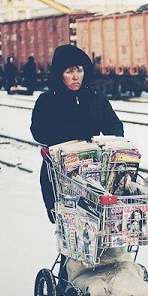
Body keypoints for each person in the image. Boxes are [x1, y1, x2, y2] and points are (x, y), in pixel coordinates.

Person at [31, 44, 124, 223]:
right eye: (69, 71)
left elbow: (112, 123)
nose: (75, 77)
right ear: (60, 74)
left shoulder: (96, 97)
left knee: (97, 227)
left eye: (79, 70)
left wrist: (115, 142)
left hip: (93, 175)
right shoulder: (47, 100)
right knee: (68, 229)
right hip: (60, 175)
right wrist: (71, 134)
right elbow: (38, 131)